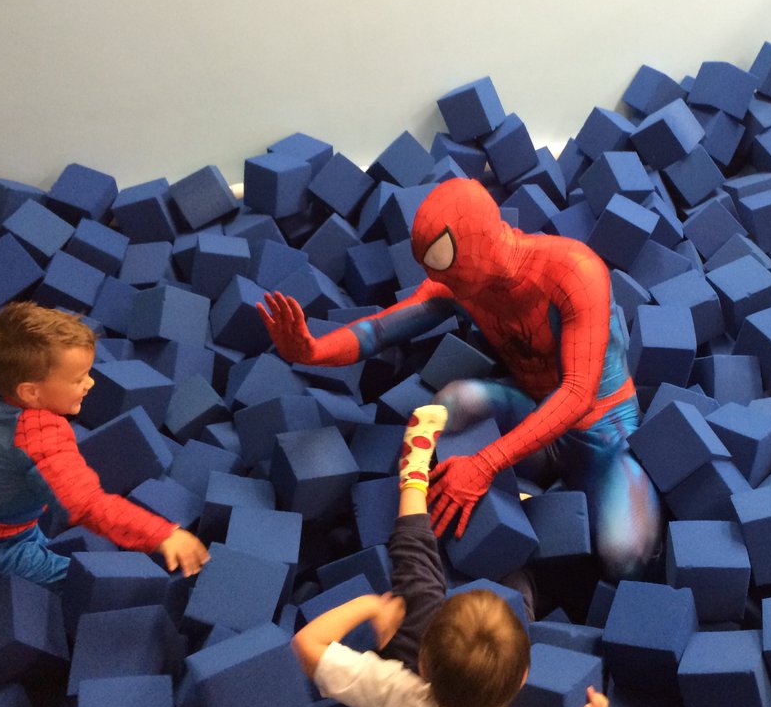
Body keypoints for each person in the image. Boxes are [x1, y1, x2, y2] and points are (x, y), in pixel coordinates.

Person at [258, 176, 659, 579]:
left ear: (479, 241)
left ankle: (543, 531)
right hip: (533, 416)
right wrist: (312, 350)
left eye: (447, 267)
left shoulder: (574, 271)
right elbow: (378, 331)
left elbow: (576, 392)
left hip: (604, 434)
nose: (442, 283)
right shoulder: (460, 284)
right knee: (449, 403)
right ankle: (507, 526)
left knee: (624, 557)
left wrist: (483, 465)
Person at [292, 405, 615, 707]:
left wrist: (371, 606)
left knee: (416, 584)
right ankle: (530, 544)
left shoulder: (393, 691)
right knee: (521, 586)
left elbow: (307, 645)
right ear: (521, 682)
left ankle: (414, 480)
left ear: (424, 663)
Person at [0, 301, 209, 591]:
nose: (90, 383)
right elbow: (86, 505)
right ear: (30, 391)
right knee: (83, 581)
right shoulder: (40, 437)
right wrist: (162, 535)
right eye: (79, 379)